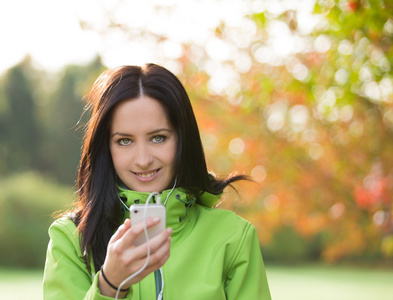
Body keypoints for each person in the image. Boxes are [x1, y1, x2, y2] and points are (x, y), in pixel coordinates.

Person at [43, 63, 271, 300]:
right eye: (124, 141)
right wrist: (109, 284)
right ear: (105, 148)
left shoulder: (233, 236)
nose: (143, 160)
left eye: (158, 138)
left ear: (183, 140)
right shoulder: (70, 239)